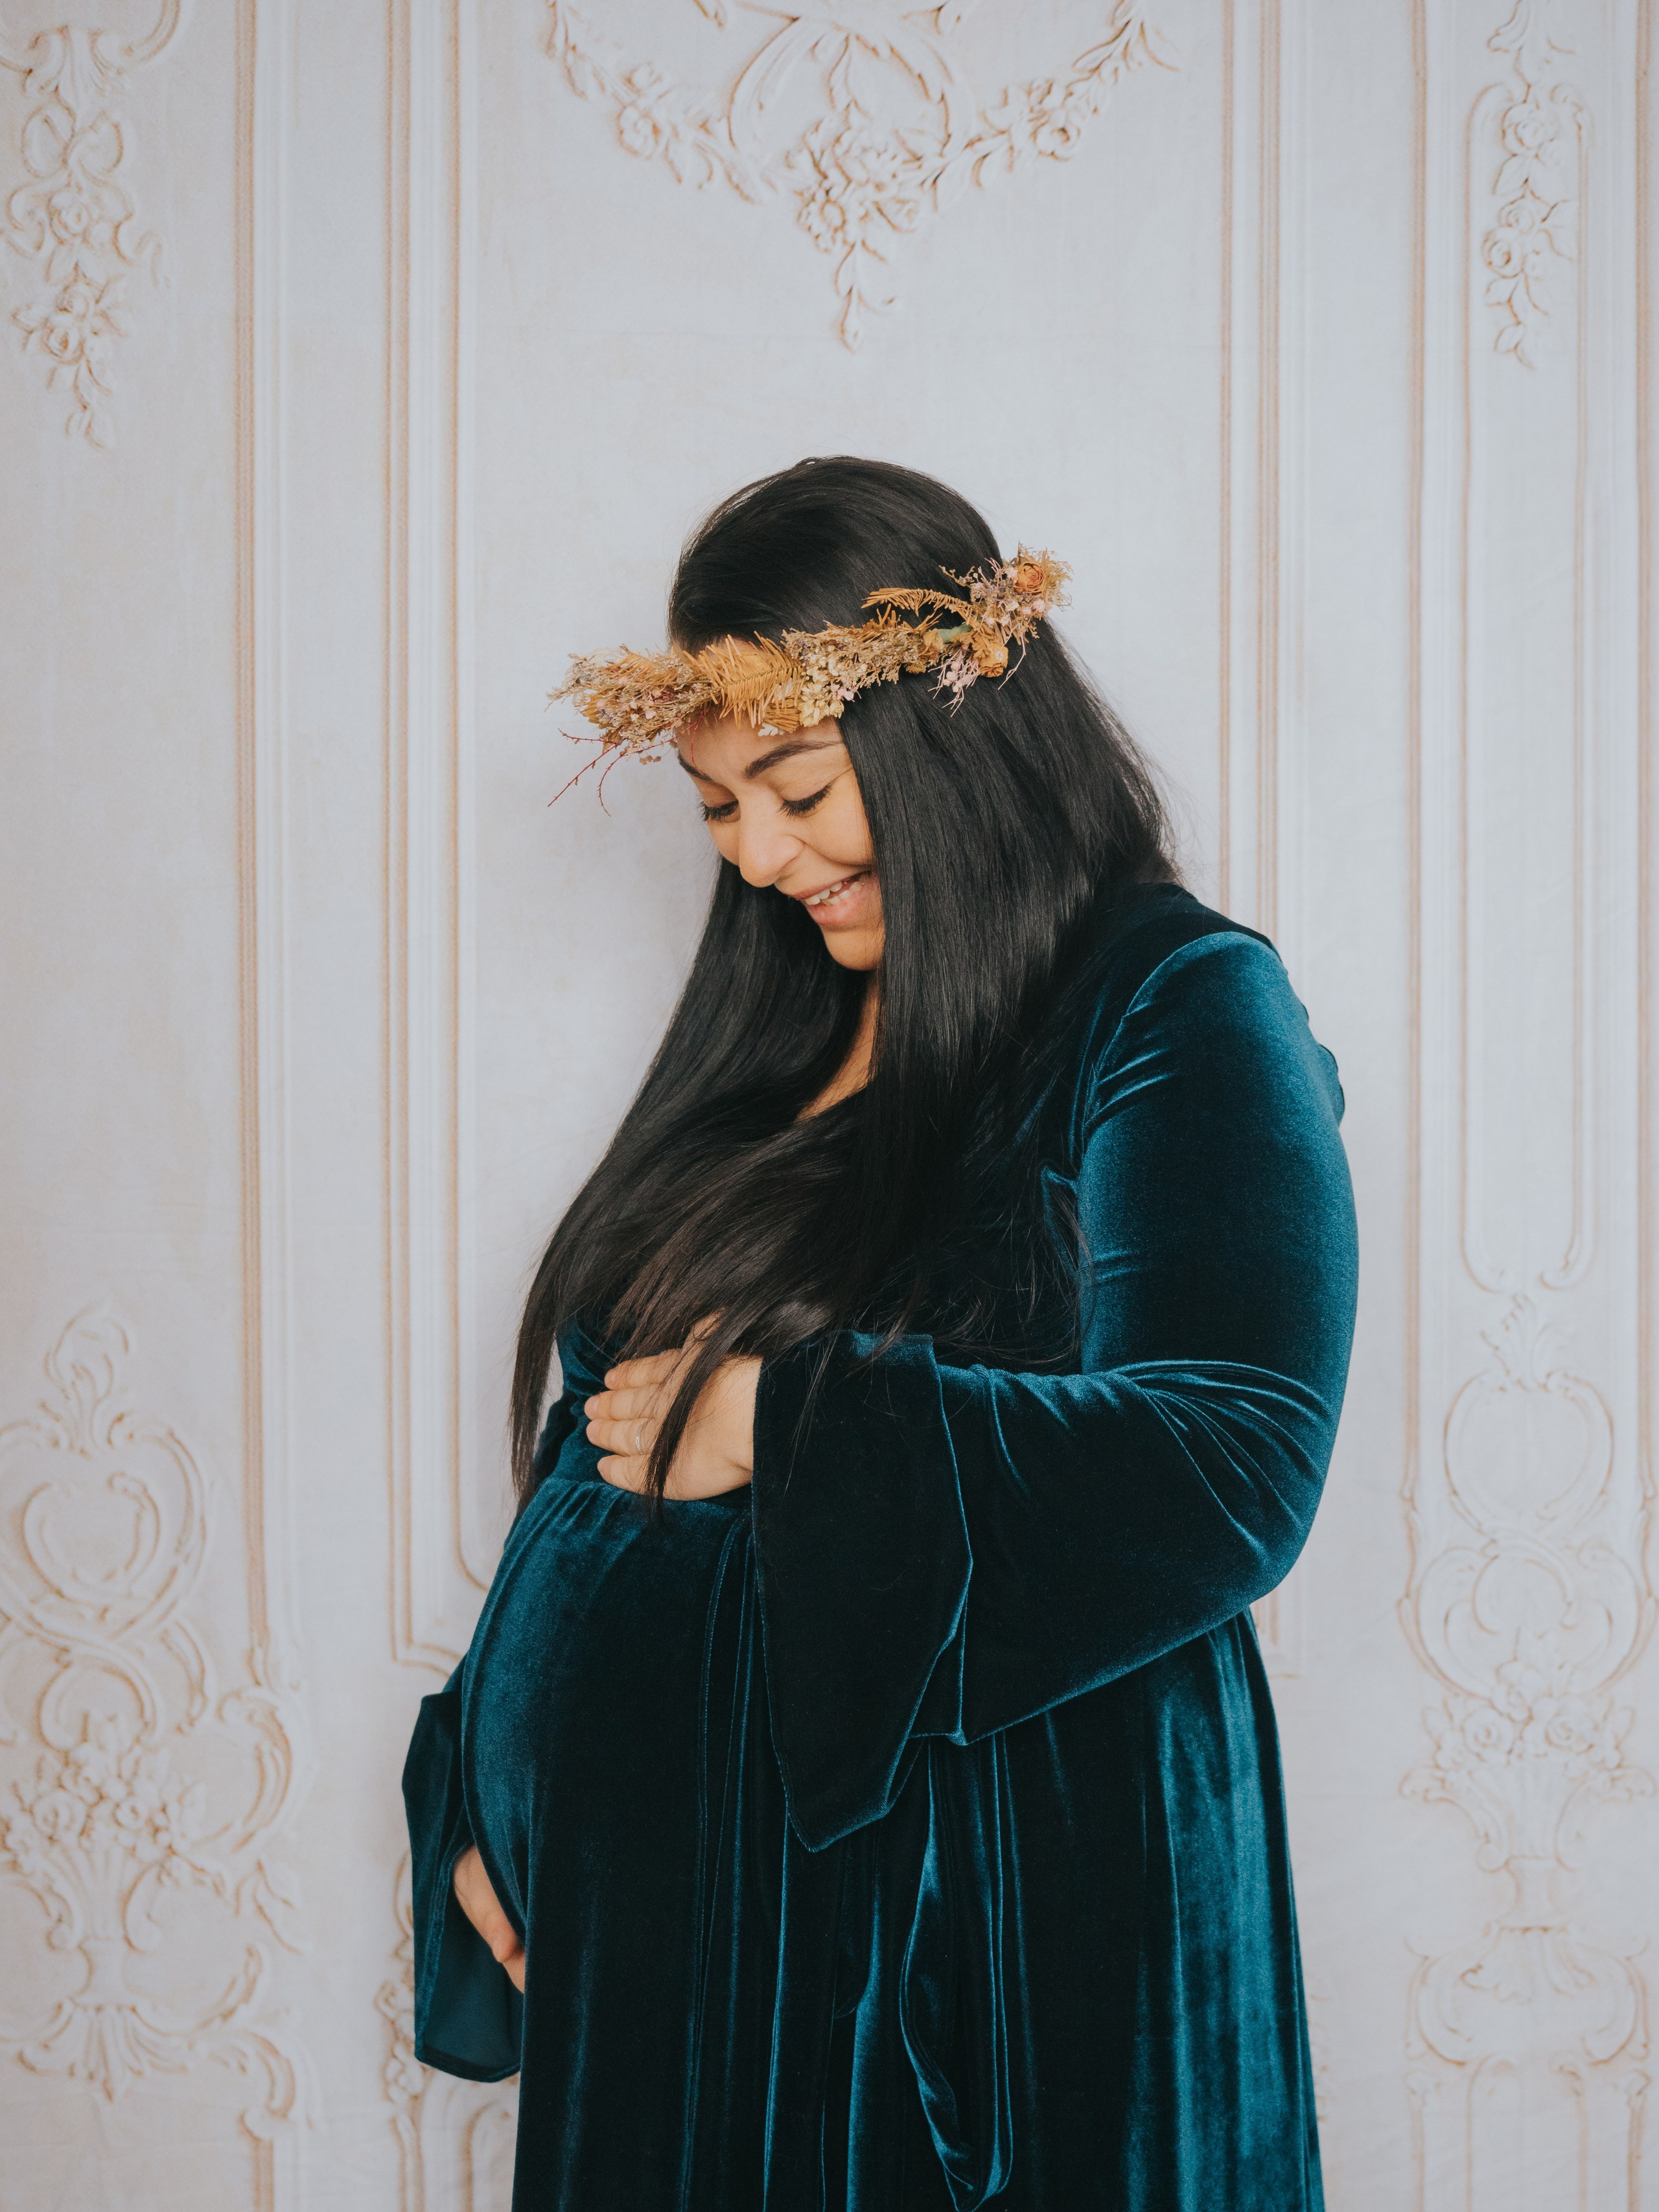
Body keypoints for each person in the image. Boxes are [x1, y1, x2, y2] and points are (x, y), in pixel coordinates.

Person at [402, 456, 1357, 2211]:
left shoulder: (1175, 1007)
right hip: (685, 1953)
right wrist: (484, 1779)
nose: (759, 860)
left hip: (966, 1965)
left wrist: (788, 1425)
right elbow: (606, 1426)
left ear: (947, 739)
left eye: (795, 789)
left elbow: (1235, 1455)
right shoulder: (785, 1024)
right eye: (712, 810)